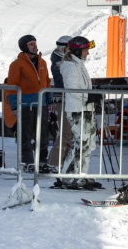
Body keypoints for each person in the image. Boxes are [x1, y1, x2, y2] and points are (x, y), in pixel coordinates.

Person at [58, 36, 102, 190]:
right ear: (77, 50)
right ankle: (68, 176)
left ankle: (81, 174)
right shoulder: (70, 66)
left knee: (88, 145)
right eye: (85, 50)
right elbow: (72, 89)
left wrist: (92, 95)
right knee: (80, 143)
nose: (88, 53)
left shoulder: (79, 64)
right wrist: (89, 96)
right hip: (77, 110)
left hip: (86, 109)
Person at [6, 34, 53, 173]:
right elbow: (12, 86)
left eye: (35, 43)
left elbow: (47, 82)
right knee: (25, 134)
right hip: (25, 104)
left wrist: (48, 101)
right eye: (31, 44)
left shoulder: (42, 62)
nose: (34, 46)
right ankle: (27, 161)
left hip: (41, 103)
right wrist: (14, 106)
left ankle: (42, 161)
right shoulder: (16, 65)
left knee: (43, 133)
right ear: (24, 47)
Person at [48, 35, 74, 176]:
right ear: (63, 48)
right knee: (64, 133)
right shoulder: (59, 61)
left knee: (69, 134)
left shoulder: (67, 60)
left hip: (68, 98)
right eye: (70, 48)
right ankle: (54, 163)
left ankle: (64, 163)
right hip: (62, 99)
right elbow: (61, 79)